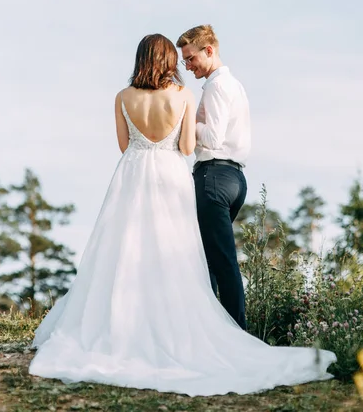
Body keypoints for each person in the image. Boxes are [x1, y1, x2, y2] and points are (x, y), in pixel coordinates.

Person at [29, 34, 335, 396]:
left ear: (140, 59)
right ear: (169, 60)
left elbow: (124, 145)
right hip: (170, 176)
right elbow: (189, 146)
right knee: (174, 255)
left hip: (131, 176)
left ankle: (124, 324)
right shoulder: (183, 95)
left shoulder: (122, 97)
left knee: (126, 250)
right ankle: (172, 327)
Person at [176, 25, 250, 329]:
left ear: (209, 50)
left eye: (191, 58)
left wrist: (187, 120)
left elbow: (213, 137)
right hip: (234, 179)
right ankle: (212, 330)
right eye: (184, 62)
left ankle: (236, 334)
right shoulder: (235, 85)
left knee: (220, 262)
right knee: (210, 257)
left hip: (214, 176)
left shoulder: (218, 87)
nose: (188, 66)